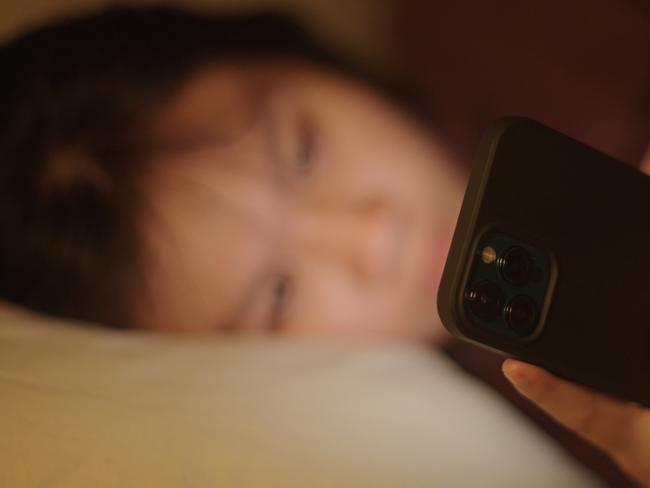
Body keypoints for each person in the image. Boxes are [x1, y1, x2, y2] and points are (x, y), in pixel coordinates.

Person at [0, 6, 647, 485]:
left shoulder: (511, 27)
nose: (372, 235)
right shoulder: (503, 432)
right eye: (279, 292)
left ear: (303, 58)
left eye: (305, 151)